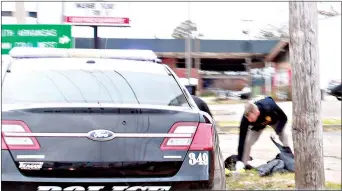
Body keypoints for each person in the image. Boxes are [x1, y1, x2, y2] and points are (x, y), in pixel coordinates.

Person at [235, 96, 291, 171]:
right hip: (258, 126)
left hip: (275, 121)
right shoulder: (246, 119)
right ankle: (243, 164)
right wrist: (239, 160)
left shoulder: (270, 106)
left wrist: (278, 130)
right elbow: (241, 139)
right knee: (247, 142)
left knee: (285, 135)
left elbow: (284, 118)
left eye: (251, 118)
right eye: (248, 119)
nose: (249, 121)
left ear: (257, 112)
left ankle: (291, 159)